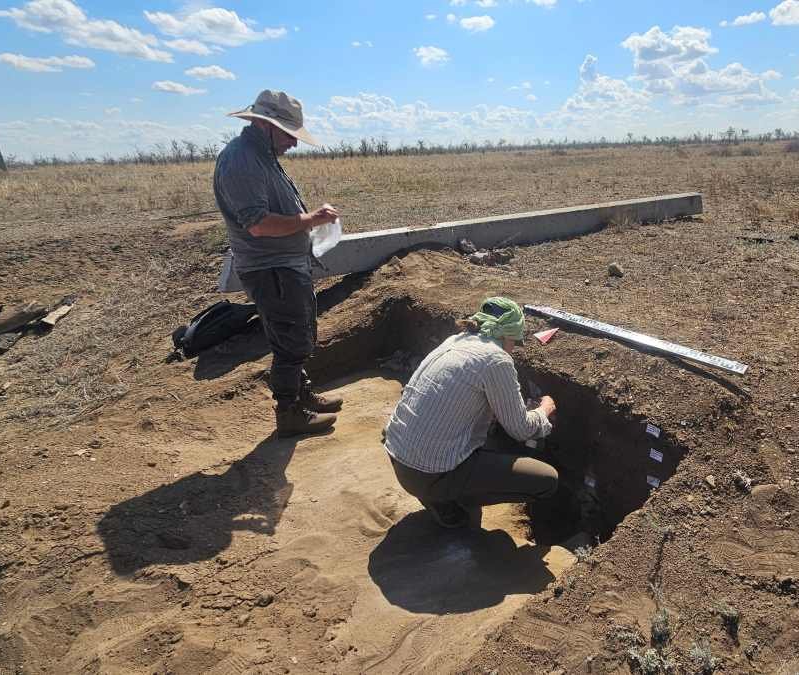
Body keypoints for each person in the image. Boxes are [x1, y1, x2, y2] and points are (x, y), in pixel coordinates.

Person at [213, 89, 343, 437]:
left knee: (295, 335)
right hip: (271, 269)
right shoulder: (241, 160)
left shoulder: (261, 155)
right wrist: (311, 219)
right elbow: (258, 224)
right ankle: (290, 414)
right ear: (264, 125)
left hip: (284, 266)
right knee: (291, 342)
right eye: (289, 134)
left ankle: (301, 395)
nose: (294, 144)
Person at [384, 297, 560, 528]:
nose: (513, 349)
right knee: (547, 480)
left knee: (492, 432)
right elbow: (521, 429)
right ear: (507, 335)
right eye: (514, 343)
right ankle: (446, 501)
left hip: (399, 456)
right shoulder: (497, 360)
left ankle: (438, 492)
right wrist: (544, 410)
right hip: (428, 474)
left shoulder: (455, 341)